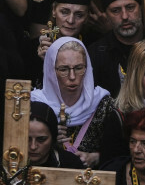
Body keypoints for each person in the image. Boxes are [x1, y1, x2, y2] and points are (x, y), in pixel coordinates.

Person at [32, 37, 124, 168]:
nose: (72, 77)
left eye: (79, 68)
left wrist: (97, 157)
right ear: (51, 71)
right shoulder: (35, 104)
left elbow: (120, 152)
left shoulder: (103, 104)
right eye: (64, 69)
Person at [87, 0, 145, 95]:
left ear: (141, 8)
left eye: (130, 7)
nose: (124, 16)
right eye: (116, 10)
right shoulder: (95, 55)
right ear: (106, 15)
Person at [25, 102, 86, 169]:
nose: (33, 147)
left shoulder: (71, 164)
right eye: (27, 139)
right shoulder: (11, 164)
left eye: (41, 139)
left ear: (53, 138)